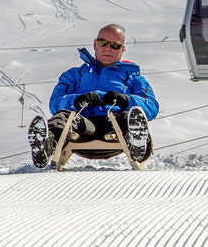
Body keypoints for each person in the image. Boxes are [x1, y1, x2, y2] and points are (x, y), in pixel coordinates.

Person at [28, 24, 159, 168]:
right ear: (95, 45)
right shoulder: (74, 75)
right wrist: (76, 100)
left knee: (131, 116)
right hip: (82, 127)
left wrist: (125, 101)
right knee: (63, 117)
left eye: (115, 45)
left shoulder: (133, 77)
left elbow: (151, 106)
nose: (108, 48)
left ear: (122, 50)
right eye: (103, 43)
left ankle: (138, 145)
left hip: (114, 127)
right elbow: (55, 102)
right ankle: (47, 144)